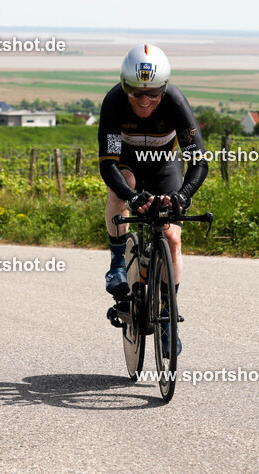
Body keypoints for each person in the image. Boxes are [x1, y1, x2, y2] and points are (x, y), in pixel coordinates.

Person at [98, 44, 208, 355]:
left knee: (172, 236)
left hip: (163, 168)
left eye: (154, 92)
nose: (145, 100)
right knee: (122, 186)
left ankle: (168, 317)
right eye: (136, 92)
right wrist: (131, 198)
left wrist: (183, 197)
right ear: (124, 87)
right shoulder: (114, 102)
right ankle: (118, 263)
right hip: (128, 165)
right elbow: (108, 164)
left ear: (164, 88)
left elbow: (198, 161)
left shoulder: (174, 101)